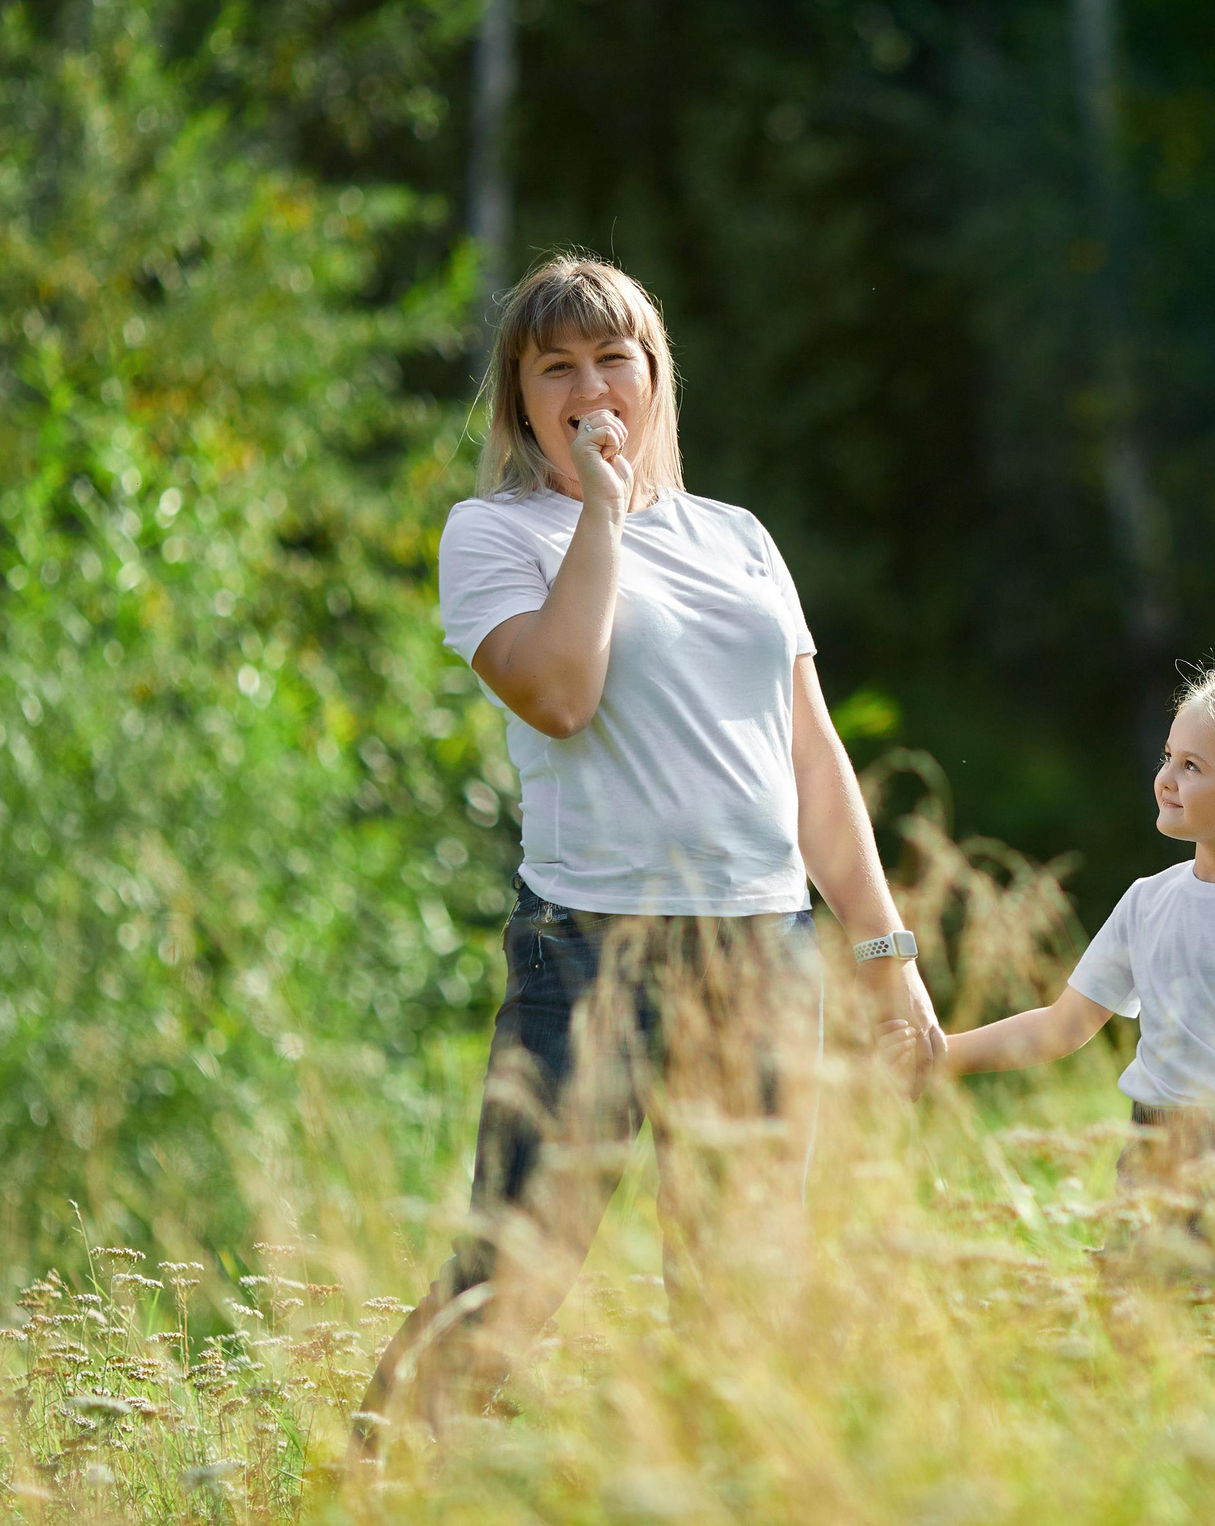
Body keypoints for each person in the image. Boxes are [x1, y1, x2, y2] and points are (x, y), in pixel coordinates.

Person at [362, 255, 942, 1436]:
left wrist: (887, 952)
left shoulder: (737, 536)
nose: (589, 386)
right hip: (589, 954)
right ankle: (365, 1487)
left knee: (743, 1297)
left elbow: (813, 761)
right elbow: (564, 692)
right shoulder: (492, 534)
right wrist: (600, 514)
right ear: (520, 398)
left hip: (762, 953)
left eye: (611, 358)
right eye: (555, 368)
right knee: (511, 1278)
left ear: (653, 371)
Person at [887, 660, 1215, 1367]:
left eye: (1193, 764)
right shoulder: (1147, 900)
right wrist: (943, 1052)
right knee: (1136, 1353)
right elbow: (1063, 1025)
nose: (1166, 777)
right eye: (1168, 757)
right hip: (1156, 1150)